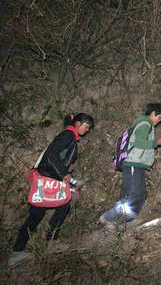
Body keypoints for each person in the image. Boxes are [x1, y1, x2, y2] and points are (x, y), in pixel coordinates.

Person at [11, 113, 95, 264]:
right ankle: (34, 246)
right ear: (77, 123)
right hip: (47, 179)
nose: (87, 130)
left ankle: (29, 246)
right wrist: (65, 175)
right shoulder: (68, 135)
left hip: (48, 178)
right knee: (44, 211)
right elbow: (51, 156)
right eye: (86, 126)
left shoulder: (68, 135)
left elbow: (54, 156)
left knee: (45, 210)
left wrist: (67, 171)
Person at [100, 103, 161, 228]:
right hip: (133, 162)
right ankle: (109, 218)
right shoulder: (145, 124)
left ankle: (124, 220)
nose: (159, 121)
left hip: (136, 163)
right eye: (159, 117)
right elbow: (139, 142)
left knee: (134, 193)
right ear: (153, 112)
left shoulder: (143, 124)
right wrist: (157, 142)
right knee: (135, 193)